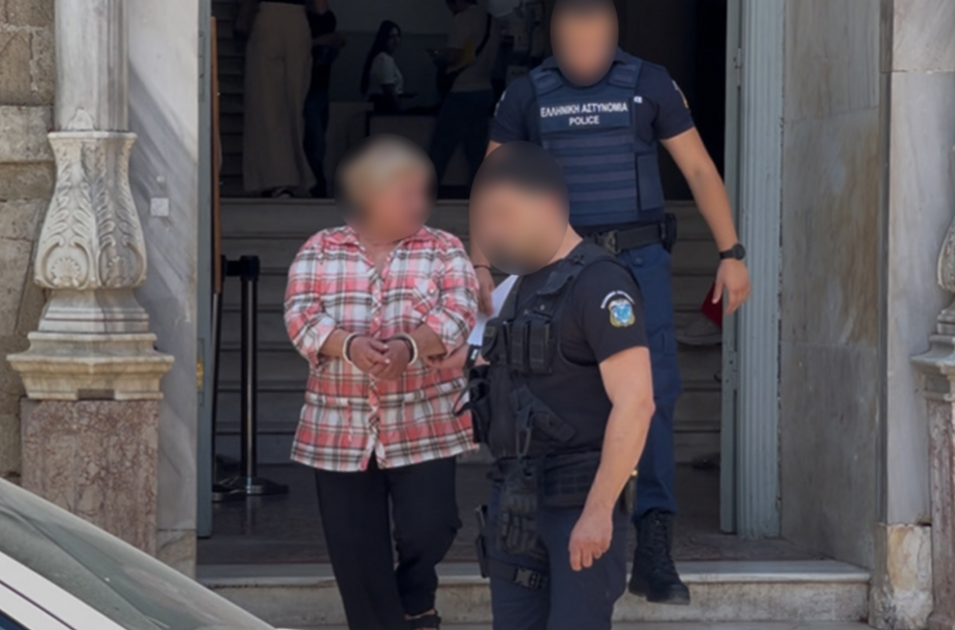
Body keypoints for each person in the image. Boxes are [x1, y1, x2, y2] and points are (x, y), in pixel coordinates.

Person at [475, 0, 752, 604]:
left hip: (638, 265)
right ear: (555, 40)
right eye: (571, 45)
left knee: (653, 399)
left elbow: (698, 170)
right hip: (555, 269)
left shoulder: (649, 84)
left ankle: (654, 545)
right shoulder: (528, 94)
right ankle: (540, 524)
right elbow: (493, 181)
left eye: (594, 44)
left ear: (613, 37)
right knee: (545, 391)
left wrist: (731, 252)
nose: (583, 56)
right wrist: (480, 264)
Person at [445, 141, 655, 630]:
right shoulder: (521, 284)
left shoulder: (601, 283)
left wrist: (598, 511)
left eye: (504, 215)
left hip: (576, 500)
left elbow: (637, 402)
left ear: (548, 205)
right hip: (516, 500)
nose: (493, 232)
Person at [283, 135, 479, 630]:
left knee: (432, 525)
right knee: (355, 550)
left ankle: (415, 591)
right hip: (339, 428)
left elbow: (458, 314)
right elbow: (300, 316)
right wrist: (348, 345)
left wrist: (408, 347)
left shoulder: (443, 248)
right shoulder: (320, 250)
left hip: (424, 421)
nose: (420, 203)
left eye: (423, 192)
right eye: (406, 193)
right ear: (367, 193)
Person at [237, 0, 317, 197]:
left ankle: (275, 178)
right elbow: (320, 7)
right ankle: (299, 176)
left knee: (267, 104)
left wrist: (243, 18)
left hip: (268, 16)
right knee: (294, 107)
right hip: (298, 20)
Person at [428, 0, 501, 187]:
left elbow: (454, 55)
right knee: (476, 151)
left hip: (462, 90)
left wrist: (439, 58)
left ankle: (425, 195)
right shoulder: (491, 21)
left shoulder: (462, 19)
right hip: (485, 90)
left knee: (440, 149)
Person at [304, 1, 345, 198]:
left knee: (318, 138)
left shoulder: (327, 18)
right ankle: (314, 183)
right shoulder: (303, 17)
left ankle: (316, 183)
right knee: (315, 140)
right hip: (309, 86)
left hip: (320, 85)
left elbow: (337, 41)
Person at [361, 21, 407, 114]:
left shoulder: (383, 58)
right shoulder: (384, 59)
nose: (396, 40)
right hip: (386, 107)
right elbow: (388, 89)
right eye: (392, 37)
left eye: (397, 36)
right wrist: (400, 110)